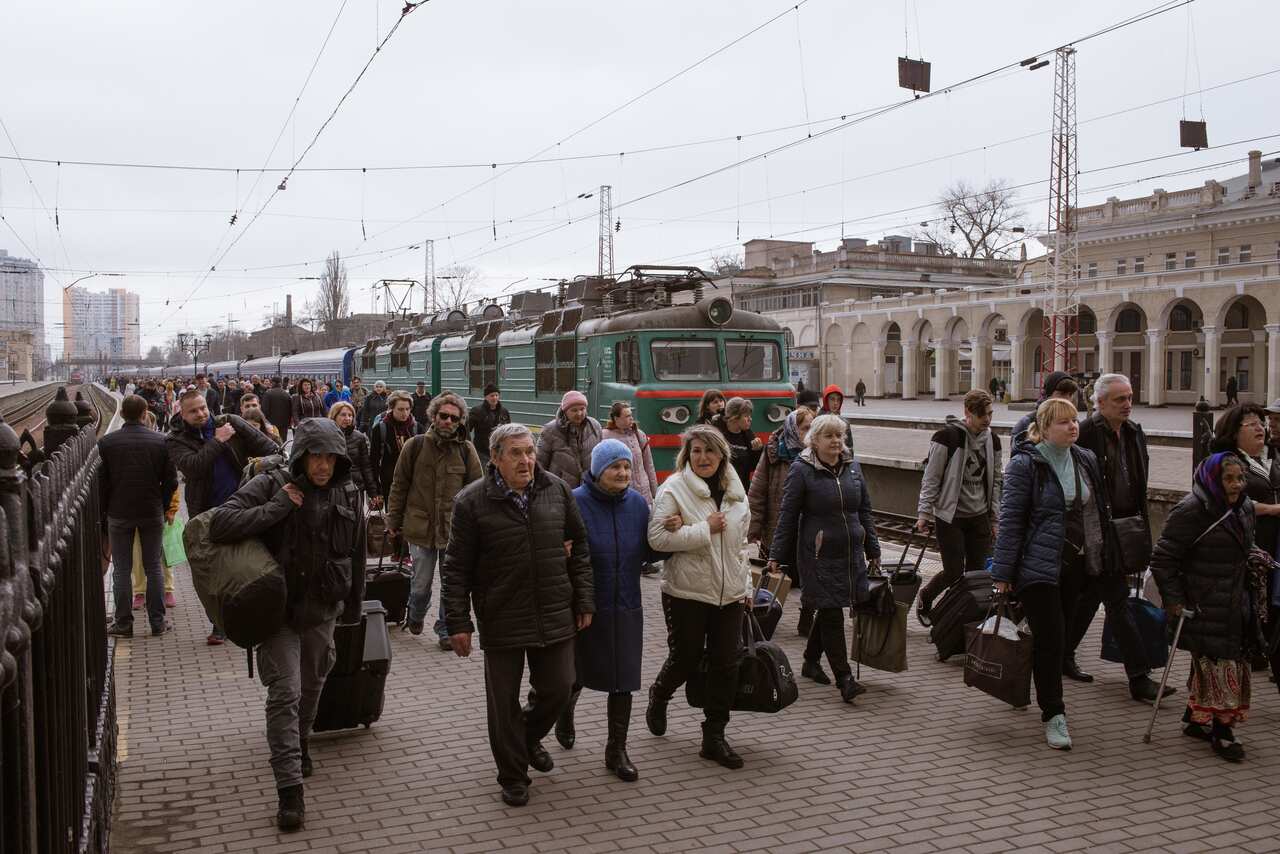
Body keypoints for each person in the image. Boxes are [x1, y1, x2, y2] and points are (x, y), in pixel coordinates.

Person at [207, 418, 365, 830]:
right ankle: (289, 791)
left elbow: (357, 551)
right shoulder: (271, 482)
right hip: (275, 612)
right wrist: (277, 507)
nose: (323, 466)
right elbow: (220, 523)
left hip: (322, 609)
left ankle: (301, 741)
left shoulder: (348, 489)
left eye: (331, 457)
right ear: (301, 455)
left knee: (312, 688)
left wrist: (355, 605)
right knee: (286, 693)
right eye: (316, 456)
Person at [441, 423, 594, 807]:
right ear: (495, 458)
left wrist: (585, 601)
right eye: (516, 453)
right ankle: (512, 775)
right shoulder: (471, 502)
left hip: (554, 608)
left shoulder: (556, 490)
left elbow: (582, 550)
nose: (526, 460)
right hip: (501, 614)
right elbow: (456, 568)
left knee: (561, 687)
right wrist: (458, 623)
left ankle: (524, 741)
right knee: (502, 703)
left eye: (529, 451)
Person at [990, 398, 1110, 751]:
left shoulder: (1084, 459)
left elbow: (1097, 513)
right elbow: (1011, 522)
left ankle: (1034, 680)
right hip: (1037, 567)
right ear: (1043, 428)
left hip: (1076, 564)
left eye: (1074, 420)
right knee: (1053, 639)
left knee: (1059, 635)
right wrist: (1002, 574)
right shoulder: (1026, 465)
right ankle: (1053, 714)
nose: (1073, 426)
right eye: (1063, 422)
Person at [645, 425, 752, 770]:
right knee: (686, 657)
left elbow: (740, 547)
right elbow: (657, 539)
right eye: (696, 451)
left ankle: (714, 736)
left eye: (709, 451)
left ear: (722, 455)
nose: (702, 458)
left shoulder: (737, 492)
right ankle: (659, 695)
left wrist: (746, 586)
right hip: (686, 593)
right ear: (687, 455)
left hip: (730, 593)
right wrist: (705, 528)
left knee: (726, 663)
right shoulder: (673, 489)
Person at [1149, 452, 1265, 761]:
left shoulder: (1242, 508)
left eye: (1241, 478)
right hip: (1204, 601)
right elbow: (1163, 559)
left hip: (1236, 600)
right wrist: (1174, 600)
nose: (1237, 485)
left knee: (1225, 659)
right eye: (1229, 479)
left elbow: (1243, 544)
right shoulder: (1191, 510)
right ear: (1213, 479)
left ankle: (1195, 718)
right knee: (1220, 662)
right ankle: (1223, 730)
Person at [1066, 374, 1171, 700]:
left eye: (1129, 397)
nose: (1127, 404)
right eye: (1119, 399)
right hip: (1095, 532)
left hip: (1127, 529)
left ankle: (1060, 654)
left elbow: (1139, 481)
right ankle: (1139, 677)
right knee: (1116, 599)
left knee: (1089, 596)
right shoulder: (1084, 434)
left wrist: (1142, 531)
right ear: (1099, 403)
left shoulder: (1134, 432)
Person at [768, 414, 880, 702]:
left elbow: (865, 510)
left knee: (831, 608)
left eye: (839, 436)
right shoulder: (801, 470)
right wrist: (776, 555)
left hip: (851, 552)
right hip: (818, 555)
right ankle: (845, 678)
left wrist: (873, 550)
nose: (836, 441)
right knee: (831, 612)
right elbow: (787, 517)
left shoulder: (853, 467)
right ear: (814, 441)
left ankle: (810, 660)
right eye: (829, 436)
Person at [571, 439, 659, 782]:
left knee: (623, 679)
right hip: (586, 605)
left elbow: (650, 554)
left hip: (626, 605)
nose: (623, 472)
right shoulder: (575, 503)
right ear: (597, 470)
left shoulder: (637, 504)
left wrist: (672, 535)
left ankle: (616, 750)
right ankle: (565, 714)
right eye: (614, 467)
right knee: (574, 673)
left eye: (626, 466)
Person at [167, 388, 279, 645]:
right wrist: (217, 441)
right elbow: (193, 468)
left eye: (203, 408)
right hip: (208, 513)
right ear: (181, 414)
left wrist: (260, 468)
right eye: (193, 411)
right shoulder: (175, 440)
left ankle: (262, 618)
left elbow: (270, 447)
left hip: (244, 504)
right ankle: (220, 624)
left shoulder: (231, 422)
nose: (201, 414)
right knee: (216, 571)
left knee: (256, 561)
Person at [387, 392, 482, 645]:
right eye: (444, 416)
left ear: (461, 420)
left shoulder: (466, 450)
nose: (448, 421)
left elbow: (476, 491)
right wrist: (393, 522)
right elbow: (399, 486)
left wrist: (480, 528)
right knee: (421, 583)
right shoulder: (415, 446)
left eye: (454, 417)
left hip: (454, 530)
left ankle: (445, 630)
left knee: (451, 585)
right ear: (433, 416)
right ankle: (416, 613)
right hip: (420, 528)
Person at [915, 389, 1002, 626]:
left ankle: (960, 621)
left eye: (990, 414)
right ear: (967, 413)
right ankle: (926, 597)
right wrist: (924, 513)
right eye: (982, 414)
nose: (987, 419)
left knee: (975, 576)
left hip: (979, 516)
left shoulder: (992, 441)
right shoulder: (947, 438)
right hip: (950, 516)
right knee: (953, 572)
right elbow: (931, 478)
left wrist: (995, 518)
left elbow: (996, 482)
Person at [1210, 404, 1280, 680]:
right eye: (1251, 423)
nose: (1260, 427)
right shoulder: (1227, 461)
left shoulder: (1269, 458)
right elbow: (1228, 500)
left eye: (1261, 422)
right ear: (1233, 431)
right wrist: (1273, 509)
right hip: (1243, 551)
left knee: (1269, 616)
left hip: (1271, 550)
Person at [103, 395, 179, 638]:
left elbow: (102, 483)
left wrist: (105, 509)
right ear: (145, 412)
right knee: (153, 566)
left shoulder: (107, 443)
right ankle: (158, 622)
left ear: (123, 414)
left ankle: (123, 622)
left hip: (119, 512)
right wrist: (163, 504)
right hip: (151, 511)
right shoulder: (161, 441)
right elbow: (171, 481)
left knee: (122, 569)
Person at [748, 407, 814, 632]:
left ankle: (807, 618)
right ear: (793, 429)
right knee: (771, 578)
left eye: (812, 428)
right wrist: (753, 528)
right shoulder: (774, 452)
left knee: (809, 578)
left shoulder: (816, 454)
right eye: (805, 428)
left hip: (807, 528)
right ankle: (762, 617)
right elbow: (757, 492)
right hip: (778, 528)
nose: (809, 433)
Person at [370, 391, 422, 557]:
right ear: (391, 408)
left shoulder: (416, 427)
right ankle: (398, 551)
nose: (404, 413)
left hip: (414, 480)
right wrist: (376, 489)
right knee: (394, 516)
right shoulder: (381, 428)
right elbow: (374, 460)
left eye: (407, 409)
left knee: (411, 515)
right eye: (400, 409)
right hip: (389, 481)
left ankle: (407, 553)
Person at [537, 390, 602, 489]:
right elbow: (540, 463)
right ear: (565, 411)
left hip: (590, 489)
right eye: (574, 410)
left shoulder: (595, 426)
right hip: (560, 489)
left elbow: (601, 457)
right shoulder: (550, 430)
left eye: (582, 409)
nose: (579, 413)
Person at [601, 401, 658, 505]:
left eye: (631, 415)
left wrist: (655, 493)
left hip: (644, 495)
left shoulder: (639, 435)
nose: (631, 418)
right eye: (627, 416)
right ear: (616, 418)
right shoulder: (604, 436)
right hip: (621, 496)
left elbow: (649, 466)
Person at [328, 401, 377, 504]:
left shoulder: (359, 437)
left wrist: (372, 492)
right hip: (333, 487)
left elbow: (365, 466)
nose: (347, 418)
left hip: (356, 487)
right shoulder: (327, 436)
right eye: (343, 415)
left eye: (350, 415)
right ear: (334, 416)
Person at [1011, 371, 1079, 443]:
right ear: (1048, 395)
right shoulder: (1026, 423)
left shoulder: (1074, 424)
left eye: (1070, 394)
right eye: (1062, 394)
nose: (1067, 399)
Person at [711, 397, 762, 489]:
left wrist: (757, 451)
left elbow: (752, 468)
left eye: (750, 416)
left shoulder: (749, 436)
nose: (750, 419)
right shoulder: (716, 433)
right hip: (719, 487)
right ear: (734, 418)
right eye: (746, 416)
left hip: (741, 488)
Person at [467, 383, 511, 466]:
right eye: (492, 395)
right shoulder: (477, 411)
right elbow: (466, 429)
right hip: (482, 453)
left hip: (499, 452)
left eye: (496, 395)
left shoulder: (504, 412)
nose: (494, 398)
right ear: (486, 397)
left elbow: (509, 432)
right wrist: (469, 446)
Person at [262, 376, 293, 443]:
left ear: (273, 383)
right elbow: (291, 409)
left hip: (271, 423)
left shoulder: (268, 393)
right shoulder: (286, 394)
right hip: (284, 423)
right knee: (282, 441)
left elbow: (265, 410)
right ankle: (282, 453)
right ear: (280, 383)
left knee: (272, 442)